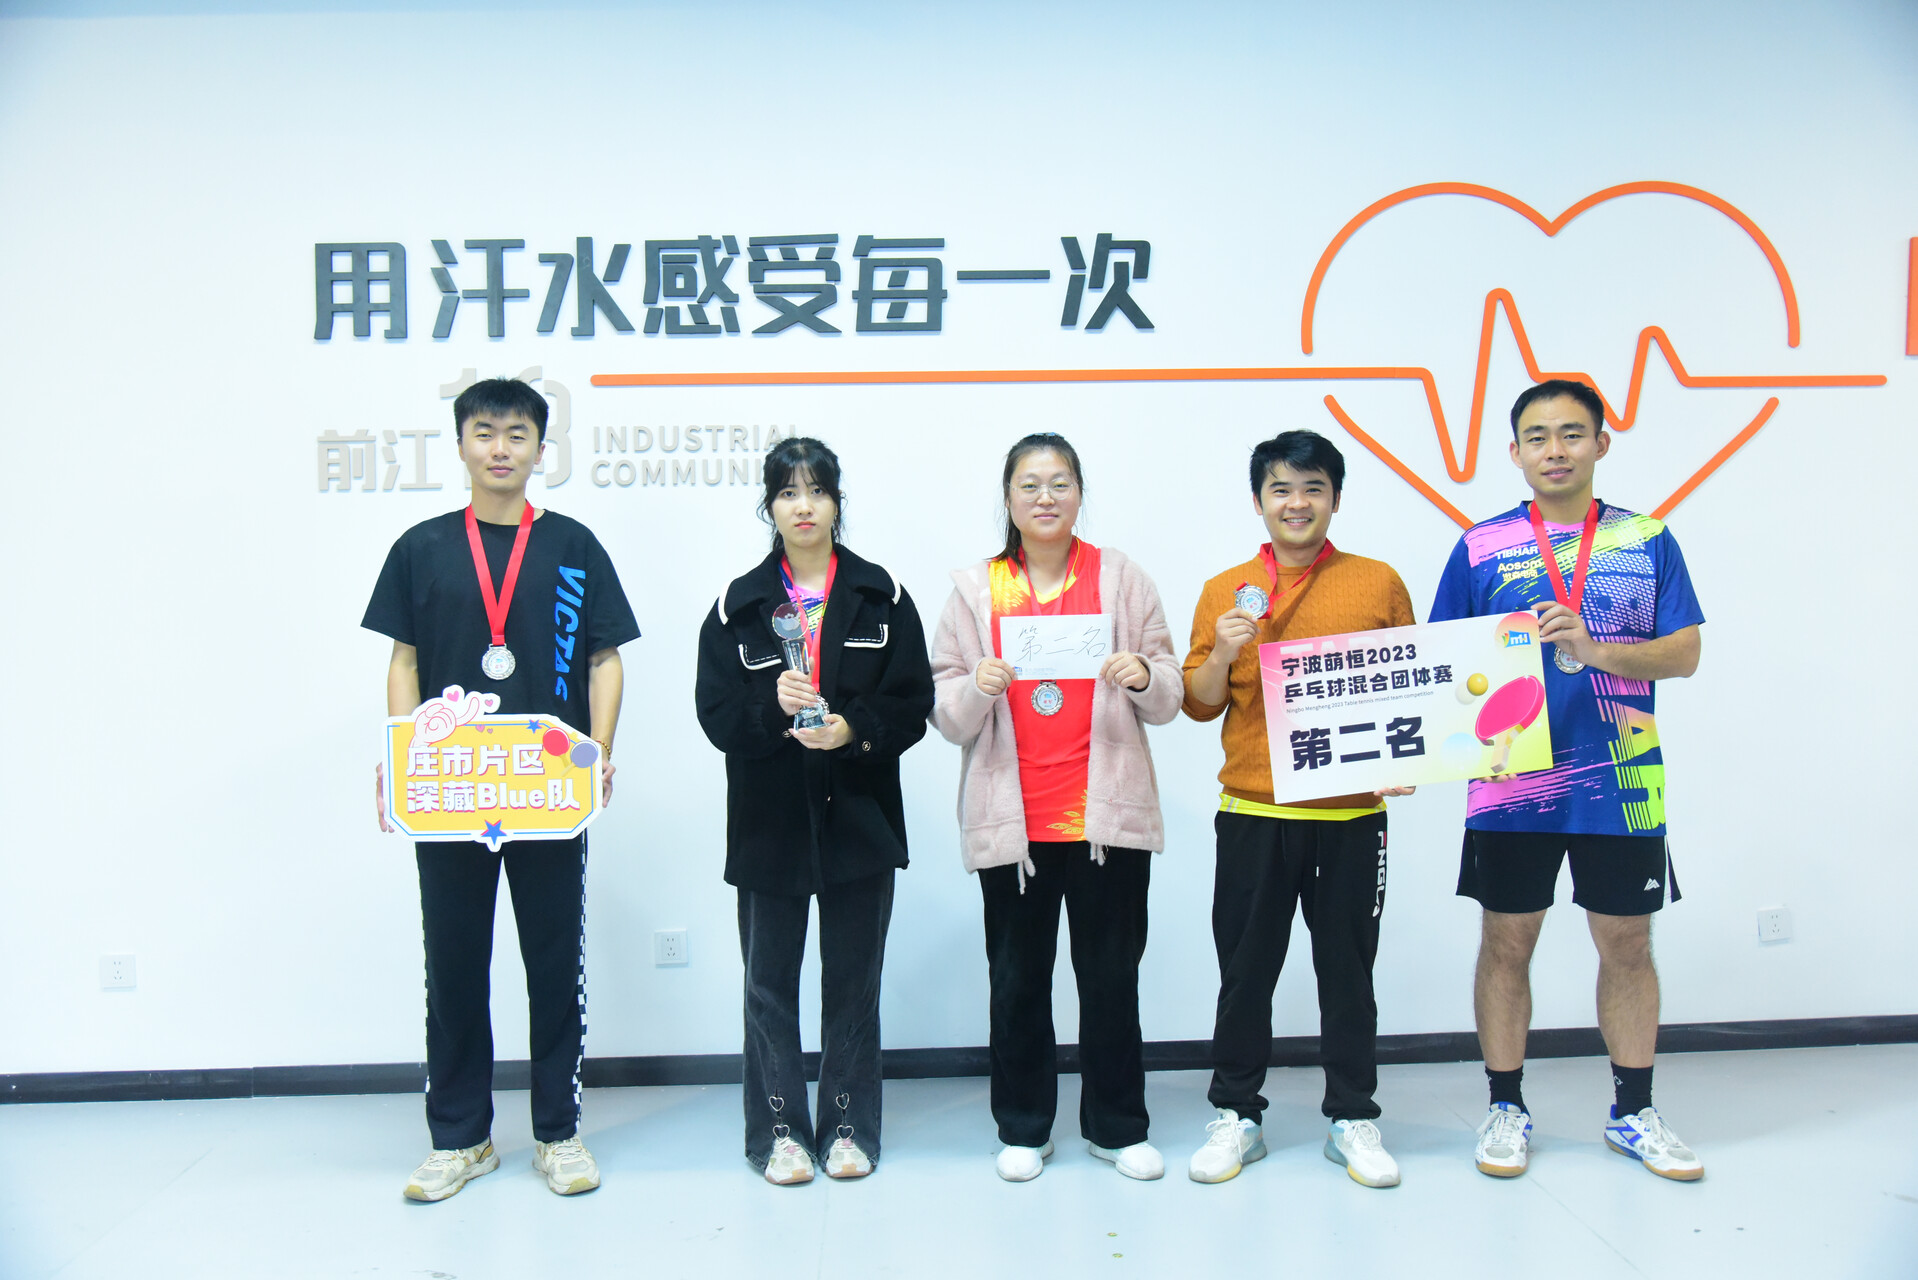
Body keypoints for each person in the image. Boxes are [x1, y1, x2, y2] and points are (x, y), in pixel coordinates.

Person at [364, 377, 637, 1202]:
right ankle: (462, 1139)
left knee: (554, 965)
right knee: (453, 965)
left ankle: (558, 1132)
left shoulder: (574, 546)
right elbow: (405, 661)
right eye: (484, 432)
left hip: (547, 792)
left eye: (517, 434)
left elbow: (605, 660)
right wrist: (403, 758)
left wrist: (599, 751)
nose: (500, 449)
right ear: (460, 445)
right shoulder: (421, 547)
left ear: (540, 449)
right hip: (452, 792)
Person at [1431, 378, 1705, 1181]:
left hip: (1623, 779)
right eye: (1538, 437)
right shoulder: (1480, 546)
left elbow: (1685, 652)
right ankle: (1505, 1106)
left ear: (1600, 444)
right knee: (1505, 941)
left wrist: (1595, 650)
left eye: (1572, 434)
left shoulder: (1646, 538)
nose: (1555, 450)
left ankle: (1634, 1112)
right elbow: (1443, 664)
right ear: (1515, 452)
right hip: (1510, 781)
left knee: (1628, 944)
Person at [930, 433, 1183, 1183]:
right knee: (1017, 984)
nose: (1046, 497)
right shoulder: (976, 591)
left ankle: (1117, 1127)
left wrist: (1144, 675)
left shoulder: (1121, 579)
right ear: (1008, 499)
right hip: (1016, 825)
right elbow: (944, 711)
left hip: (1106, 821)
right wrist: (975, 686)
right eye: (1030, 484)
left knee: (1111, 981)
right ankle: (1023, 1127)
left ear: (1079, 494)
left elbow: (1170, 690)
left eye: (1061, 482)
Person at [1180, 430, 1416, 1189]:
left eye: (1313, 488)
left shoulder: (1377, 582)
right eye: (1281, 489)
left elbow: (1410, 685)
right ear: (1259, 501)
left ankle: (1352, 1117)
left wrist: (1407, 759)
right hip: (1254, 812)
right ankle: (1236, 1113)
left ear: (1335, 499)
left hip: (1351, 819)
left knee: (1349, 974)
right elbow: (1197, 703)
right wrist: (1223, 650)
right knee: (1244, 974)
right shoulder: (1225, 589)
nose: (1297, 503)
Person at [694, 437, 933, 1186]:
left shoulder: (882, 597)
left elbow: (913, 702)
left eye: (818, 491)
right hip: (769, 825)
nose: (804, 506)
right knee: (768, 987)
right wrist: (772, 707)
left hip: (859, 818)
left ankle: (849, 1127)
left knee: (854, 983)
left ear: (837, 502)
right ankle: (778, 1132)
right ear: (769, 506)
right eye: (788, 492)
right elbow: (716, 716)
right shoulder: (738, 606)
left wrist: (853, 729)